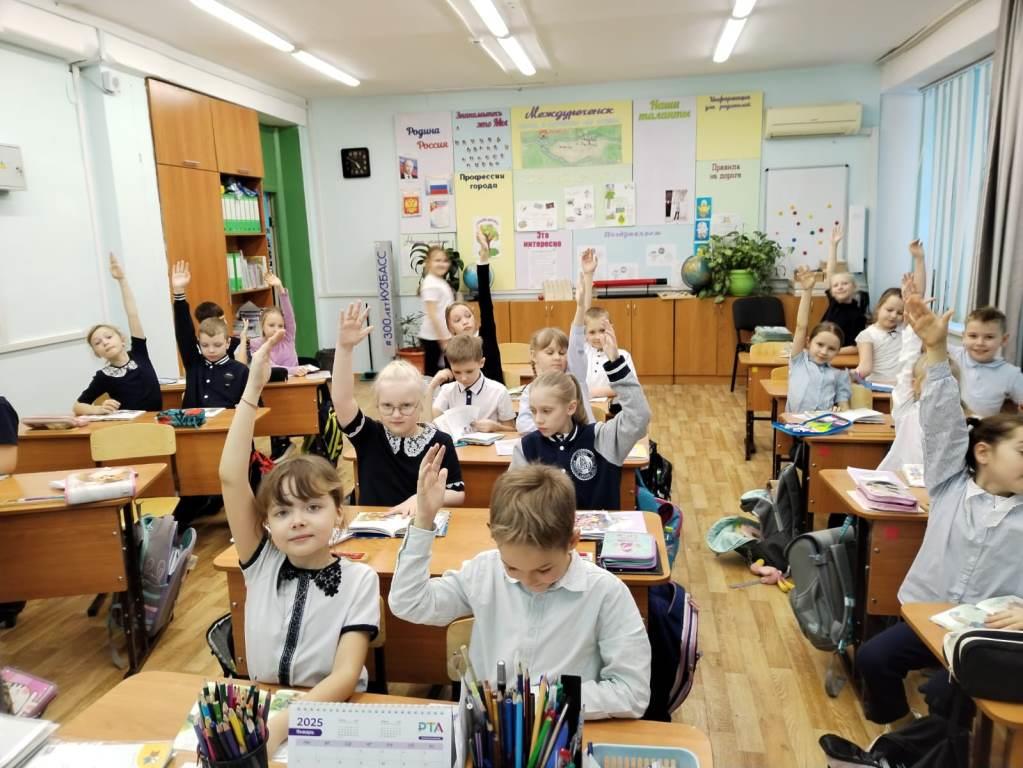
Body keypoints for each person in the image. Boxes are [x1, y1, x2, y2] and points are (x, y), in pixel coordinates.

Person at [855, 295, 1023, 728]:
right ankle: (903, 731)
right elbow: (943, 423)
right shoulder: (951, 485)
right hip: (932, 616)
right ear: (983, 453)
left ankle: (934, 744)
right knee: (874, 659)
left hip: (992, 634)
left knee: (948, 696)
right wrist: (934, 351)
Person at [389, 447, 651, 719]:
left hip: (558, 732)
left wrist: (544, 701)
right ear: (493, 536)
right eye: (512, 567)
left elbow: (632, 692)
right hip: (488, 731)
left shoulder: (606, 593)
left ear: (573, 541)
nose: (529, 581)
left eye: (544, 569)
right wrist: (423, 521)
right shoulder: (484, 570)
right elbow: (410, 604)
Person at [219, 330, 379, 756]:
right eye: (283, 512)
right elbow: (231, 477)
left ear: (339, 513)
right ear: (266, 524)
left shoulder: (359, 580)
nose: (298, 521)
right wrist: (252, 389)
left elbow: (344, 677)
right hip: (264, 703)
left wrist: (279, 727)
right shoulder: (262, 562)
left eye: (312, 507)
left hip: (329, 715)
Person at [331, 302, 465, 515]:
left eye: (406, 406)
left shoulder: (441, 441)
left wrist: (421, 499)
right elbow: (342, 400)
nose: (396, 414)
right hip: (376, 528)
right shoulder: (369, 435)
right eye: (387, 406)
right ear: (377, 405)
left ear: (420, 404)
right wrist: (344, 348)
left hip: (421, 526)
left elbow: (457, 493)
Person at [513, 321, 650, 510]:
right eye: (533, 411)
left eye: (547, 411)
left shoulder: (601, 438)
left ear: (570, 408)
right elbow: (514, 501)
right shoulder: (526, 447)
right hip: (548, 529)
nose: (538, 420)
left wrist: (616, 362)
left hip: (600, 529)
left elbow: (639, 417)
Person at [515, 250, 598, 433]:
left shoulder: (574, 376)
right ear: (534, 356)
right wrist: (555, 426)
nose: (557, 358)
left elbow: (578, 333)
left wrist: (587, 280)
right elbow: (523, 425)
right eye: (550, 352)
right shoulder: (531, 390)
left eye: (562, 353)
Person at [74, 254, 162, 415]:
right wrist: (98, 409)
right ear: (97, 353)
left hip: (156, 420)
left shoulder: (139, 353)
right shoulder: (103, 376)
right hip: (128, 424)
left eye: (108, 337)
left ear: (122, 340)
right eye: (98, 343)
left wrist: (122, 280)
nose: (105, 342)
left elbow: (132, 314)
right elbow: (78, 406)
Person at [169, 260, 249, 409]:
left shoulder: (240, 370)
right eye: (205, 345)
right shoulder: (194, 363)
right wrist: (179, 292)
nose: (211, 350)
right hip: (194, 422)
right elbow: (184, 333)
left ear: (227, 342)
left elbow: (254, 406)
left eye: (217, 345)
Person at [786, 266, 852, 413]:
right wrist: (807, 291)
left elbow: (844, 407)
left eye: (831, 349)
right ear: (808, 342)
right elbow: (801, 326)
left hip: (824, 424)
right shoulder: (799, 361)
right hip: (795, 423)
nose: (824, 351)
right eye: (820, 344)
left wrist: (840, 412)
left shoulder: (839, 376)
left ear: (838, 352)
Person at [445, 231, 504, 383]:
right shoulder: (451, 351)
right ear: (451, 329)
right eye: (457, 320)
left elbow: (485, 302)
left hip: (495, 397)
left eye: (468, 316)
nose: (465, 321)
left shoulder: (486, 337)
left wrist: (483, 257)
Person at [947, 306, 1023, 417]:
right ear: (964, 337)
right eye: (973, 336)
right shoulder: (955, 355)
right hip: (946, 423)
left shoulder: (1011, 374)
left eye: (989, 337)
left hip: (980, 427)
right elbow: (929, 344)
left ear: (1004, 340)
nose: (980, 343)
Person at [430, 334, 514, 433]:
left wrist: (496, 427)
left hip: (489, 442)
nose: (463, 378)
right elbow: (431, 423)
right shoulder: (447, 390)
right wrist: (432, 386)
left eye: (469, 371)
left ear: (481, 363)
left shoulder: (499, 391)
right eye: (457, 372)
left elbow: (512, 430)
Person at [236, 272, 310, 377]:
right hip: (271, 383)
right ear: (262, 326)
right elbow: (270, 367)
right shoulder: (255, 344)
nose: (276, 329)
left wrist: (280, 288)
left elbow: (289, 316)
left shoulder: (287, 337)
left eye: (280, 326)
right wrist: (293, 370)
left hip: (295, 380)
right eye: (271, 325)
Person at [821, 224, 866, 355]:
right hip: (822, 352)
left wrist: (830, 352)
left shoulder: (858, 315)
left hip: (839, 356)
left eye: (844, 284)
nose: (840, 287)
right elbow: (830, 272)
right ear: (832, 290)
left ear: (854, 287)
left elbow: (855, 347)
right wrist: (833, 246)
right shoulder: (834, 303)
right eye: (835, 285)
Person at [583, 306, 638, 399]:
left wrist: (594, 393)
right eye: (592, 332)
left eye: (602, 330)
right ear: (585, 334)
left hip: (613, 405)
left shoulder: (623, 356)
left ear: (610, 329)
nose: (598, 337)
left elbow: (630, 387)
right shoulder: (582, 353)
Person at [854, 287, 905, 382]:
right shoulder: (867, 335)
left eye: (900, 313)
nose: (894, 315)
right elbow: (865, 368)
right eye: (889, 310)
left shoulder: (904, 330)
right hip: (878, 386)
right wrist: (846, 377)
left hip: (902, 386)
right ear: (878, 308)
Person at [418, 247, 455, 376]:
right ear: (428, 263)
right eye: (437, 260)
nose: (442, 264)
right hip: (434, 338)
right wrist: (443, 340)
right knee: (434, 376)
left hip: (442, 336)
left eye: (445, 260)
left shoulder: (438, 281)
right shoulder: (430, 284)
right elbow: (433, 314)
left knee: (444, 375)